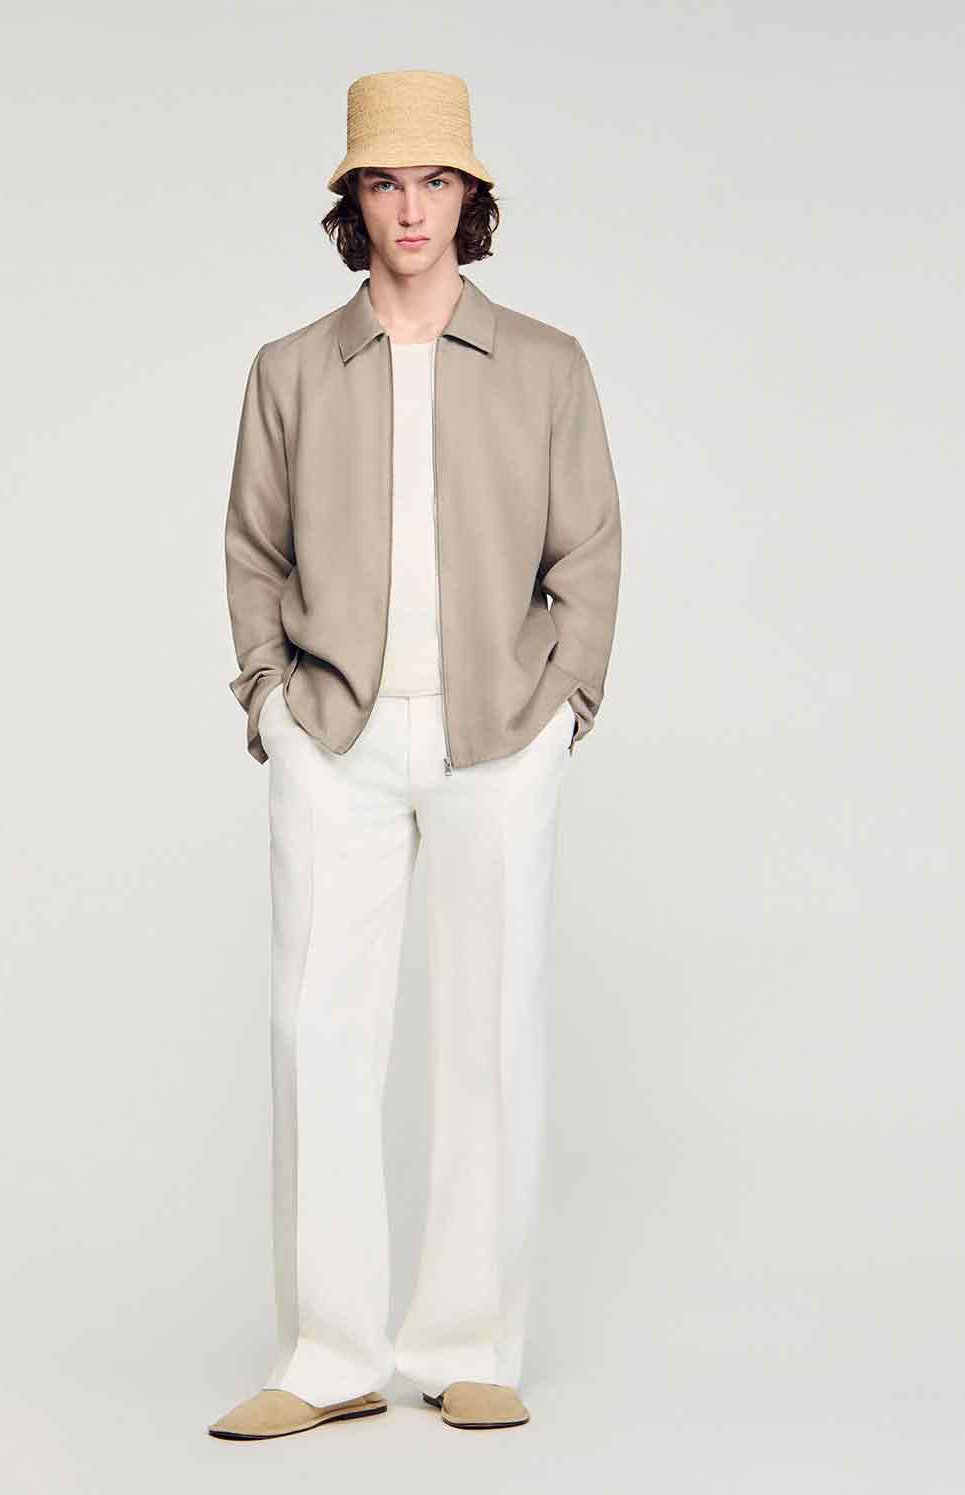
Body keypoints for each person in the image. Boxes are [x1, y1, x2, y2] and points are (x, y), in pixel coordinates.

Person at [209, 68, 622, 1441]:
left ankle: (467, 1341)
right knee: (315, 1031)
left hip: (500, 730)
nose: (410, 209)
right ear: (353, 200)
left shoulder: (547, 365)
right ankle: (329, 1354)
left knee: (490, 1030)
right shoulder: (288, 371)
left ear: (469, 198)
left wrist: (565, 706)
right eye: (385, 181)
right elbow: (253, 550)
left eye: (435, 181)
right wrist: (269, 703)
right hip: (335, 732)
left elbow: (590, 548)